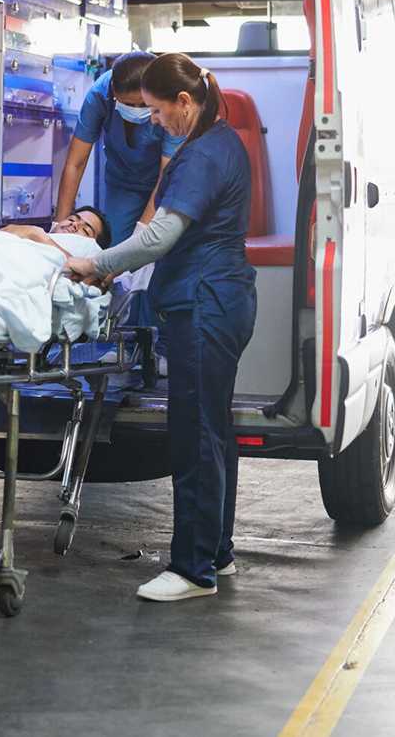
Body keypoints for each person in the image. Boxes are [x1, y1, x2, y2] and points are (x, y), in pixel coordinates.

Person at [64, 54, 257, 602]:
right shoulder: (219, 144)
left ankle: (194, 570)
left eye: (155, 110)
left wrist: (96, 263)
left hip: (205, 304)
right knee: (213, 430)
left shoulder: (200, 157)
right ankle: (216, 551)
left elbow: (158, 237)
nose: (151, 121)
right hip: (219, 299)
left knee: (195, 434)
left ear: (184, 103)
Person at [54, 52, 182, 242]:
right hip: (124, 184)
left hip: (169, 185)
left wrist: (141, 234)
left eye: (144, 104)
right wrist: (58, 227)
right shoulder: (99, 94)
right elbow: (76, 163)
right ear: (113, 91)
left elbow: (166, 176)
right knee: (115, 248)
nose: (137, 110)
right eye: (129, 104)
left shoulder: (168, 100)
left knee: (156, 246)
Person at [0, 205, 112, 256]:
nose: (75, 224)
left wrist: (35, 235)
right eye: (72, 219)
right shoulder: (37, 233)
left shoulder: (36, 233)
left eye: (86, 230)